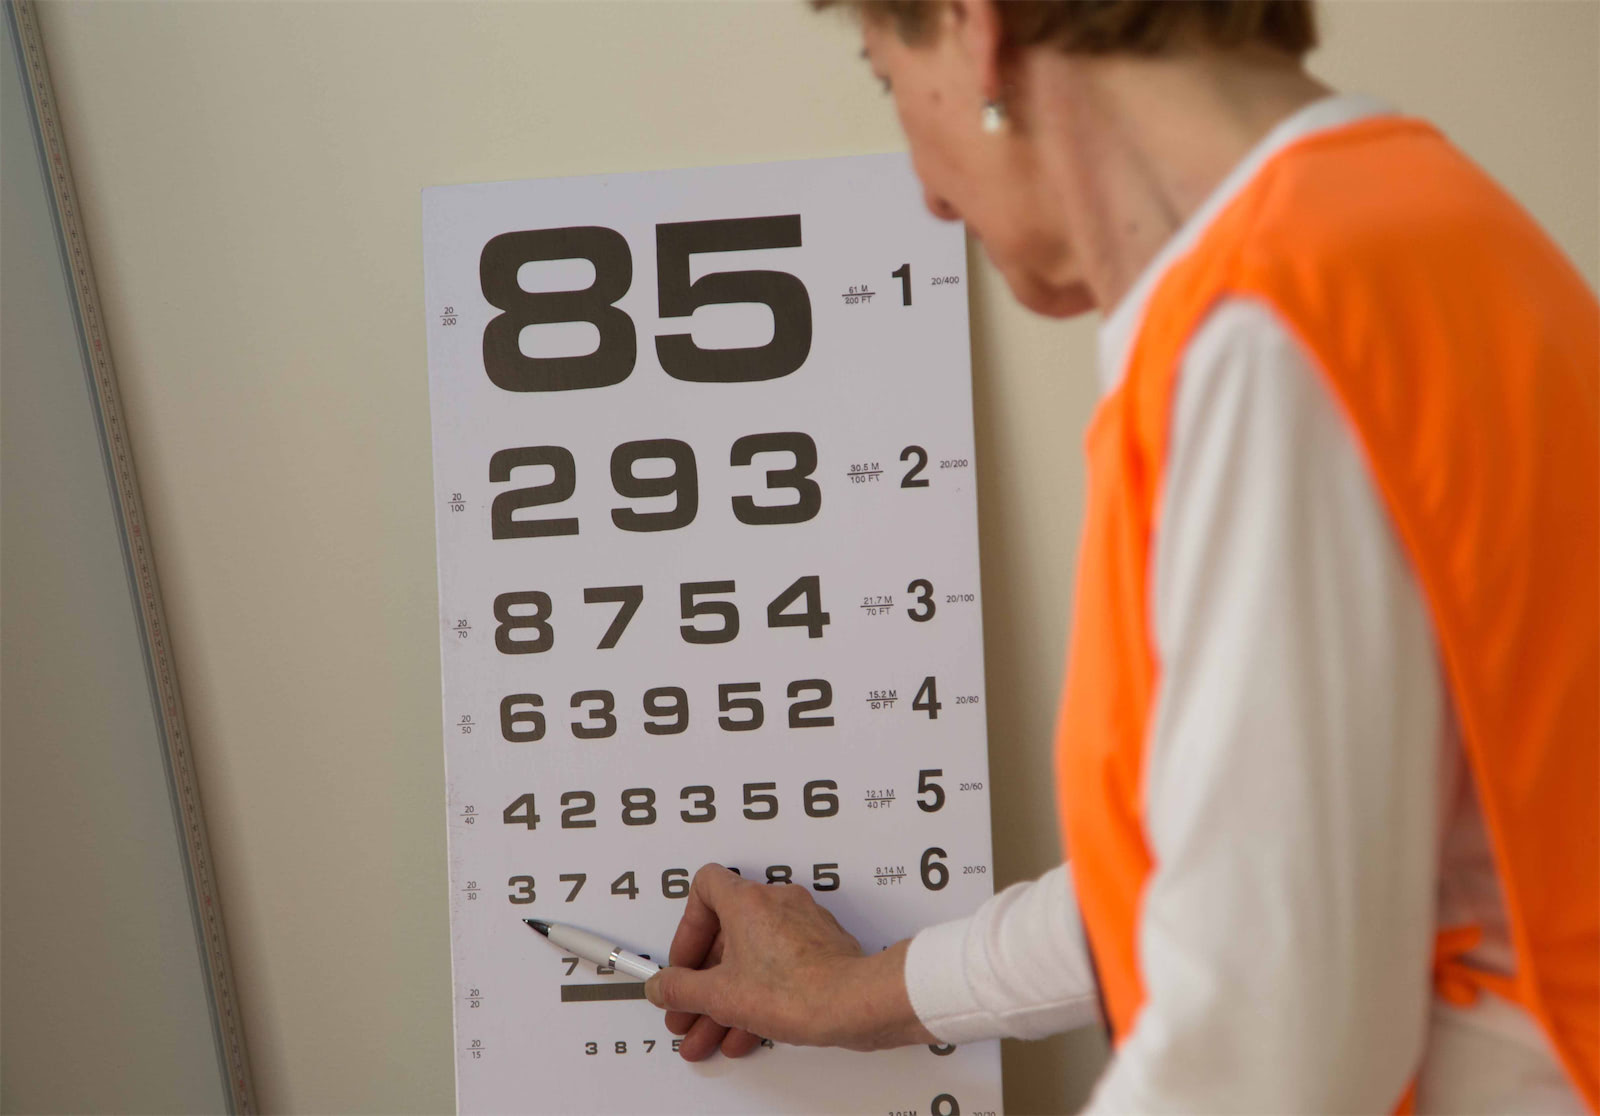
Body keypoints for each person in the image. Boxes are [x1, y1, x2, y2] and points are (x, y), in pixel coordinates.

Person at [642, 2, 1600, 1110]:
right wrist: (859, 993)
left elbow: (1264, 1046)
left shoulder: (1261, 332)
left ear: (974, 29)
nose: (931, 194)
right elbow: (1237, 876)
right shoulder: (1423, 227)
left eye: (885, 77)